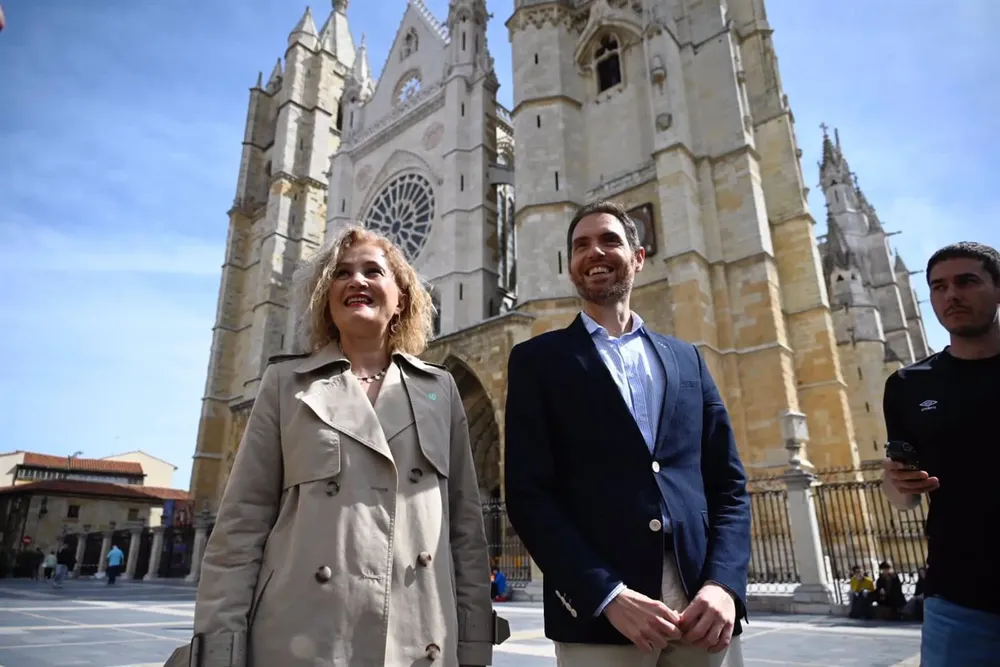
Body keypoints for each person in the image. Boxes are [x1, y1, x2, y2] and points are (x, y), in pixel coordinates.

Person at [166, 226, 505, 667]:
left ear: (401, 297)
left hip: (418, 641)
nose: (356, 280)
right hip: (301, 639)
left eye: (373, 271)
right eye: (342, 273)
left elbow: (465, 533)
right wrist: (221, 649)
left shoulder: (439, 391)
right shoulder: (286, 386)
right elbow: (240, 527)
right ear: (327, 297)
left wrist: (475, 647)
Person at [504, 200, 751, 667]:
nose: (594, 252)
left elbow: (729, 486)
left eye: (609, 240)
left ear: (638, 257)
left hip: (703, 612)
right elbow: (528, 494)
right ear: (570, 266)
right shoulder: (537, 360)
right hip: (601, 618)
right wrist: (606, 594)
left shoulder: (688, 359)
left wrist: (723, 584)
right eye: (580, 246)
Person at [881, 242, 1000, 665]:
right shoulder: (907, 385)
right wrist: (896, 482)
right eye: (938, 286)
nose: (951, 295)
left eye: (967, 281)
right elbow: (903, 497)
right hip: (959, 598)